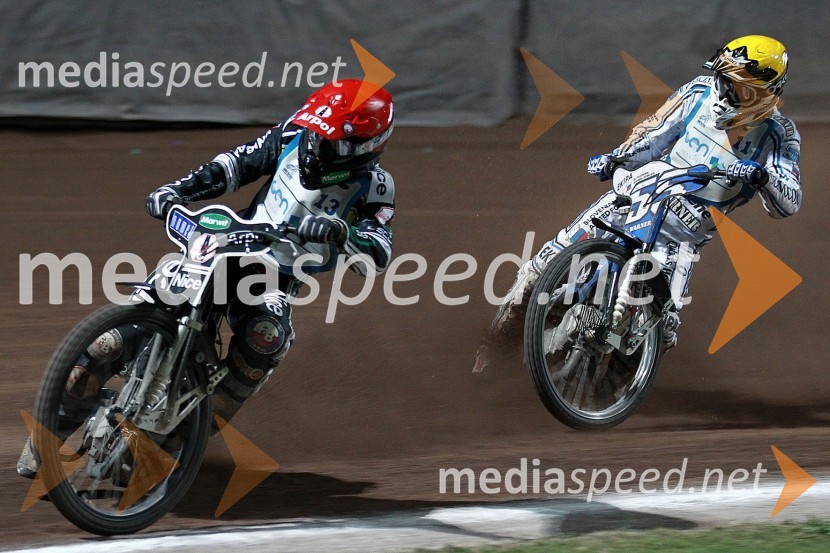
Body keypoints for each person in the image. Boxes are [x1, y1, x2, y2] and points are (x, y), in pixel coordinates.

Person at [18, 79, 396, 478]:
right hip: (225, 243)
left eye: (332, 141)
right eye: (318, 131)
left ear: (367, 147)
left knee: (267, 337)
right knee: (108, 340)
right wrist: (177, 190)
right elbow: (236, 164)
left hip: (275, 275)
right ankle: (51, 428)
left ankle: (178, 438)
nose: (318, 144)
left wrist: (344, 233)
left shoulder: (377, 187)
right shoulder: (293, 135)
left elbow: (379, 250)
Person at [473, 35, 801, 372]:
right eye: (723, 81)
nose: (725, 93)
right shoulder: (698, 92)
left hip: (681, 234)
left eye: (740, 89)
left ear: (766, 93)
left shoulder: (779, 135)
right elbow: (655, 135)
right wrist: (617, 159)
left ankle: (608, 395)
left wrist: (763, 177)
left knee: (663, 329)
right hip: (634, 196)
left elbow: (788, 201)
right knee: (539, 267)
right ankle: (491, 350)